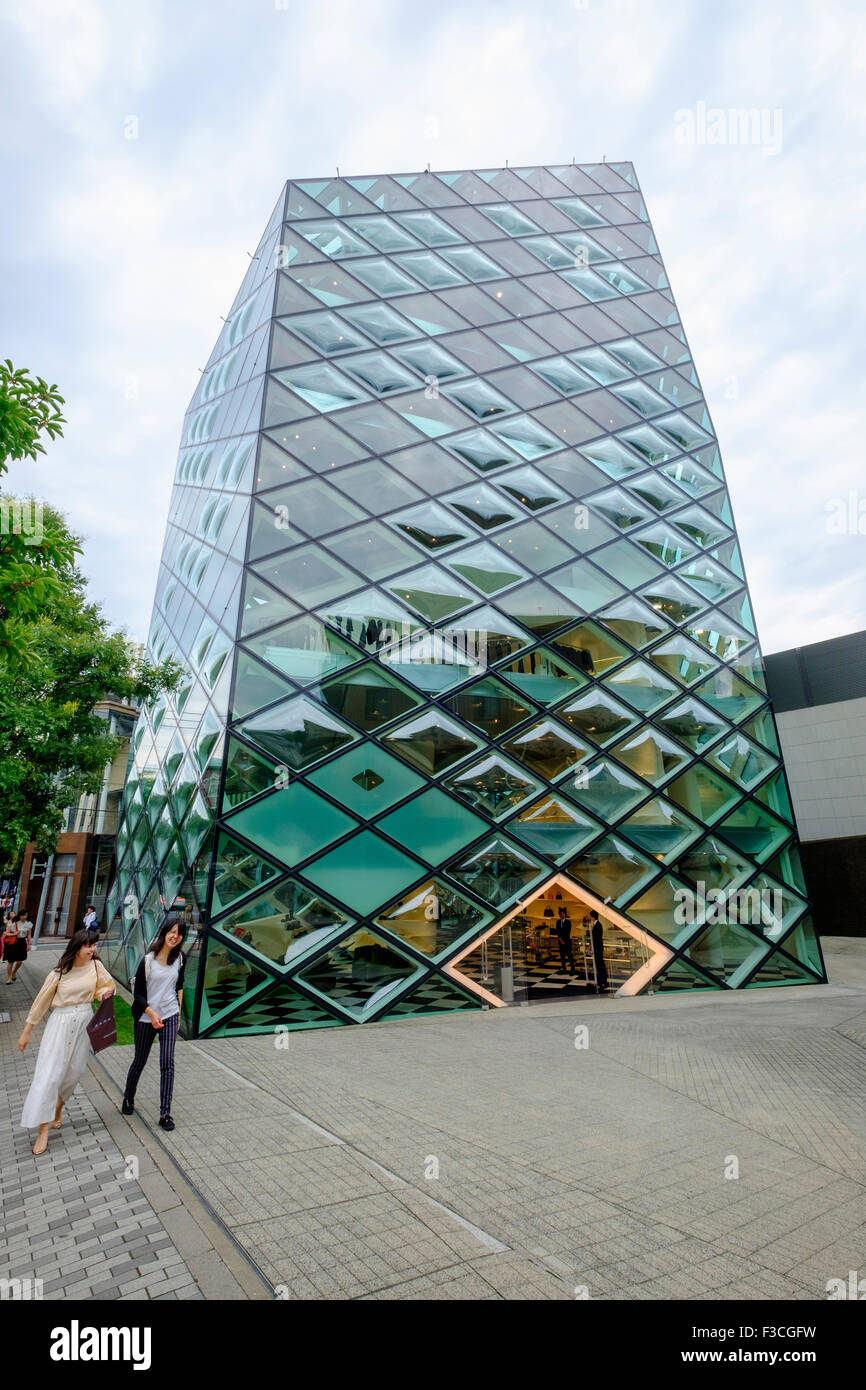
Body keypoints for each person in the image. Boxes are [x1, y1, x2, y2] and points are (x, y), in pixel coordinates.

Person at [17, 930, 115, 1156]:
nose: (91, 950)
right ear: (76, 947)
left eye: (94, 945)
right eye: (87, 946)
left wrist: (103, 994)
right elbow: (41, 1002)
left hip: (84, 1022)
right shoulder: (59, 973)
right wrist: (27, 1031)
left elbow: (105, 987)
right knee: (50, 1075)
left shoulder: (96, 967)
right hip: (60, 1023)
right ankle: (43, 1128)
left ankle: (58, 1107)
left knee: (72, 1074)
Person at [121, 918, 187, 1131]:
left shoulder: (180, 959)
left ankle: (165, 1113)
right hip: (146, 1018)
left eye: (179, 933)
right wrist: (151, 1013)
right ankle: (128, 1098)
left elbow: (179, 985)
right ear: (165, 932)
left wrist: (177, 1013)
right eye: (172, 931)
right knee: (140, 1060)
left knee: (167, 1062)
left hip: (169, 1015)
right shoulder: (147, 961)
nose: (175, 936)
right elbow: (138, 995)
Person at [3, 912, 31, 984]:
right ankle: (9, 978)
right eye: (22, 915)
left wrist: (28, 944)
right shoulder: (13, 923)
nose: (24, 917)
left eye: (25, 915)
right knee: (10, 962)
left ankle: (14, 972)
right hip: (13, 942)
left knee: (20, 961)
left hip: (22, 943)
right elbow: (6, 933)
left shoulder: (28, 924)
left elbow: (29, 935)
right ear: (19, 916)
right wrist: (14, 933)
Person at [589, 910, 608, 994]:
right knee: (600, 964)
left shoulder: (597, 926)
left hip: (598, 948)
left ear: (593, 917)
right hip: (598, 948)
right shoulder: (597, 925)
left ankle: (602, 981)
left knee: (600, 965)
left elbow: (595, 938)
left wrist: (591, 946)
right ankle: (603, 980)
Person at [555, 907, 574, 975]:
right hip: (560, 941)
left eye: (563, 914)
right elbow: (557, 931)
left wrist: (564, 941)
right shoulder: (558, 922)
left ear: (565, 914)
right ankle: (564, 969)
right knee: (562, 956)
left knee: (569, 956)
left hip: (567, 941)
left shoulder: (568, 922)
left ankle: (572, 969)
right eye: (561, 914)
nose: (562, 915)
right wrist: (560, 940)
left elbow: (568, 931)